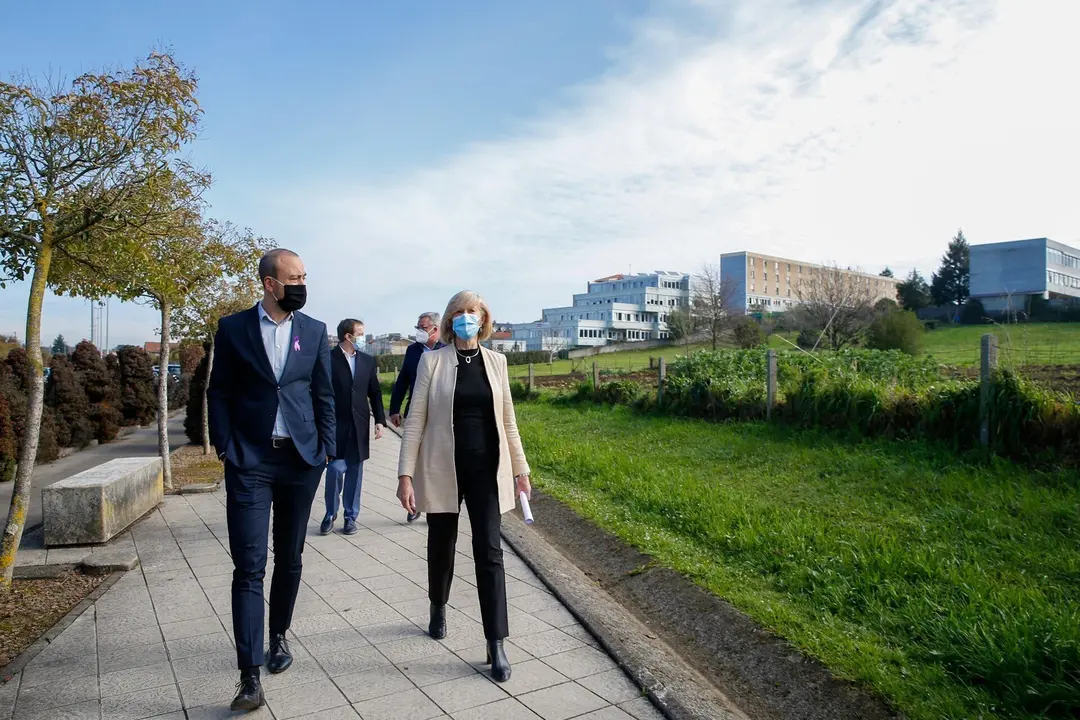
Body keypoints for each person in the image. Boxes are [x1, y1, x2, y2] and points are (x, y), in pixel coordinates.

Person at [207, 248, 336, 712]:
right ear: (269, 283)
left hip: (302, 462)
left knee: (291, 556)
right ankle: (248, 675)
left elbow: (323, 394)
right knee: (249, 564)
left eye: (305, 275)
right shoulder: (234, 328)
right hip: (251, 462)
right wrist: (225, 445)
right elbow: (218, 390)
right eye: (295, 277)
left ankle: (278, 634)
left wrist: (327, 449)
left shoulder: (314, 331)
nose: (302, 283)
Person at [396, 291, 531, 683]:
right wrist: (405, 475)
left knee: (490, 552)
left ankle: (496, 641)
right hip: (441, 468)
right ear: (449, 319)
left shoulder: (497, 362)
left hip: (487, 470)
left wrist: (521, 470)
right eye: (459, 312)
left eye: (472, 312)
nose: (465, 317)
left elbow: (509, 421)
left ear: (483, 318)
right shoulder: (431, 362)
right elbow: (415, 419)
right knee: (441, 545)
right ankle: (438, 605)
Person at [321, 318, 386, 536]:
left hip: (359, 425)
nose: (364, 337)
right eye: (360, 333)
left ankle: (351, 516)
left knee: (355, 474)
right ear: (348, 336)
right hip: (335, 426)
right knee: (334, 471)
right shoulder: (328, 359)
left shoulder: (367, 360)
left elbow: (374, 392)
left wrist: (379, 420)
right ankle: (330, 513)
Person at [389, 311, 444, 522]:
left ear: (435, 329)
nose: (419, 331)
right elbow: (402, 380)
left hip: (440, 411)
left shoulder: (447, 348)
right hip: (417, 409)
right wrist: (395, 409)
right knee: (417, 458)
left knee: (438, 459)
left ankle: (438, 504)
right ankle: (416, 502)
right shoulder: (413, 351)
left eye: (423, 327)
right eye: (418, 327)